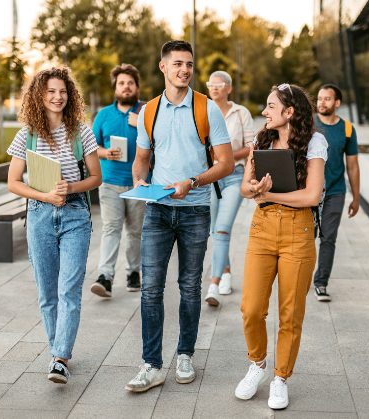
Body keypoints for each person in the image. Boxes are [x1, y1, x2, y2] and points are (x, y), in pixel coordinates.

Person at [125, 40, 233, 393]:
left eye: (189, 64)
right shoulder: (149, 111)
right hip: (157, 210)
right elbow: (142, 158)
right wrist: (139, 179)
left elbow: (226, 164)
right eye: (177, 64)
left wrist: (193, 181)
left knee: (189, 287)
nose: (184, 70)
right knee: (150, 289)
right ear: (163, 67)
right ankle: (151, 364)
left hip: (195, 210)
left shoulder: (206, 108)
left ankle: (185, 354)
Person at [6, 67, 102, 385]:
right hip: (39, 216)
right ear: (39, 96)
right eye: (50, 92)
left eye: (62, 91)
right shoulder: (27, 135)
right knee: (47, 293)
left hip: (75, 215)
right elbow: (13, 182)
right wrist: (45, 195)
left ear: (70, 95)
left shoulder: (81, 132)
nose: (57, 97)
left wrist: (68, 190)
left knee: (68, 290)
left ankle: (60, 357)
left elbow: (95, 178)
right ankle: (55, 353)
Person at [234, 83, 327, 410]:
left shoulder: (314, 142)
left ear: (289, 112)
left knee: (290, 313)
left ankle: (280, 377)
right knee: (251, 307)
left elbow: (311, 195)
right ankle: (257, 365)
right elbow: (246, 188)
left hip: (297, 231)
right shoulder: (261, 139)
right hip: (262, 230)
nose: (265, 112)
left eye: (271, 106)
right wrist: (256, 187)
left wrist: (269, 195)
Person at [89, 63, 146, 298]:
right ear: (115, 87)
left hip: (138, 184)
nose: (126, 87)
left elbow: (160, 143)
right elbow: (90, 147)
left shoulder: (146, 113)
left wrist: (142, 123)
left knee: (135, 232)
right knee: (111, 228)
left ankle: (133, 272)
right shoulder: (103, 115)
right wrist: (105, 153)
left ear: (136, 87)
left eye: (130, 83)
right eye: (122, 83)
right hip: (110, 182)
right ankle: (105, 277)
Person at [203, 70, 254, 307]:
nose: (214, 88)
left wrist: (226, 157)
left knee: (222, 229)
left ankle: (212, 284)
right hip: (210, 177)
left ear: (229, 88)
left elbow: (251, 146)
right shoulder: (203, 110)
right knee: (214, 229)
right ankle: (225, 273)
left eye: (219, 84)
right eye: (210, 84)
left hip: (233, 177)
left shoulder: (240, 112)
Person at [312, 83, 360, 302]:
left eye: (327, 99)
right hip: (309, 191)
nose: (322, 102)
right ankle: (300, 278)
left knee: (328, 238)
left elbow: (352, 165)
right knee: (305, 237)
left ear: (337, 103)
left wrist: (356, 198)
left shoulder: (347, 129)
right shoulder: (309, 124)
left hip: (335, 192)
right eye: (320, 98)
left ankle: (321, 283)